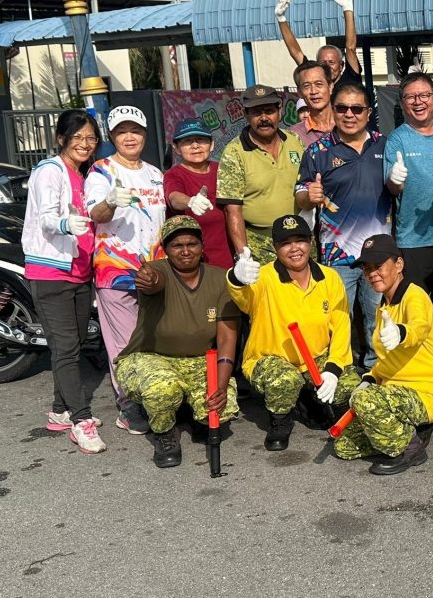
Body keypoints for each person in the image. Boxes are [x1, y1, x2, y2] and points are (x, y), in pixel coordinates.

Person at [113, 217, 241, 468]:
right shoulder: (156, 270)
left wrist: (222, 384)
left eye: (192, 244)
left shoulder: (220, 279)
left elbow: (227, 336)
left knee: (219, 409)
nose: (185, 251)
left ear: (202, 246)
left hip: (200, 359)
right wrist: (146, 280)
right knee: (162, 390)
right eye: (177, 245)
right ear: (166, 249)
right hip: (150, 356)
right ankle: (164, 432)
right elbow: (152, 283)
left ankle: (188, 411)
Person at [227, 214, 351, 450]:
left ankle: (307, 398)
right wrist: (236, 277)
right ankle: (280, 420)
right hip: (271, 359)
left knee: (348, 385)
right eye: (285, 243)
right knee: (285, 380)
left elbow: (342, 325)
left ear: (310, 242)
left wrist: (333, 369)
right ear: (275, 248)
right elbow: (241, 297)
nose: (294, 248)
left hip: (315, 357)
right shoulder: (262, 277)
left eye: (300, 240)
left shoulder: (330, 277)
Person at [331, 234, 433, 475]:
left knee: (364, 402)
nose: (372, 273)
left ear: (398, 264)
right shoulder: (385, 304)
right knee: (344, 446)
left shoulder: (414, 295)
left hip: (426, 392)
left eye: (378, 266)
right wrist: (369, 379)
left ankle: (410, 448)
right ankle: (408, 428)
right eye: (367, 268)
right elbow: (388, 361)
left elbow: (419, 327)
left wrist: (401, 332)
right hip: (394, 388)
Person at [23, 109, 103, 453]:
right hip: (51, 271)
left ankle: (59, 412)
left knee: (73, 345)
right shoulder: (49, 172)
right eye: (77, 137)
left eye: (91, 138)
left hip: (80, 270)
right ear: (61, 139)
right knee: (67, 347)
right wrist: (67, 225)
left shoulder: (81, 175)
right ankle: (80, 420)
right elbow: (46, 219)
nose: (84, 144)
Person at [296, 81, 390, 369]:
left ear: (368, 112)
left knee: (377, 314)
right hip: (337, 255)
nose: (349, 114)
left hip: (378, 252)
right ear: (333, 111)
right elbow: (300, 193)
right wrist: (308, 197)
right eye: (342, 108)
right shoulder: (318, 151)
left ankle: (375, 371)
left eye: (357, 108)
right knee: (339, 316)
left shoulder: (385, 144)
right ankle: (340, 370)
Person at [85, 105, 166, 435]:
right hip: (115, 270)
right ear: (112, 136)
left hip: (154, 269)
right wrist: (111, 202)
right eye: (122, 131)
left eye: (135, 130)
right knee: (124, 343)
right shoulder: (101, 172)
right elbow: (96, 214)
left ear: (144, 135)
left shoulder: (155, 174)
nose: (129, 136)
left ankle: (155, 395)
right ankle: (129, 405)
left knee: (153, 337)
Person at [383, 71, 433, 375]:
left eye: (424, 95)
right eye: (411, 97)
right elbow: (392, 188)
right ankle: (416, 369)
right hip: (412, 239)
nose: (419, 102)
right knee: (414, 310)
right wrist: (395, 180)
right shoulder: (398, 137)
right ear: (403, 103)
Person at [216, 85, 307, 265]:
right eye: (257, 112)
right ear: (246, 115)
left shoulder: (294, 141)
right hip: (261, 242)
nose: (264, 118)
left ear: (279, 111)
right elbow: (232, 210)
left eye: (269, 111)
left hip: (299, 237)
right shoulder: (234, 152)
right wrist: (243, 256)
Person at [163, 118, 233, 269]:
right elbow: (174, 198)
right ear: (176, 148)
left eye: (201, 140)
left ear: (212, 144)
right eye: (188, 141)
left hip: (228, 259)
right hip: (192, 265)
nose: (195, 146)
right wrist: (190, 201)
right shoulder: (174, 174)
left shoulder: (223, 170)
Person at [275, 0, 362, 88]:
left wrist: (348, 10)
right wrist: (281, 19)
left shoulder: (350, 78)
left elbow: (350, 47)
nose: (328, 67)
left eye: (332, 62)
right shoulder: (316, 85)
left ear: (341, 65)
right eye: (323, 63)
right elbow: (296, 53)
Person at [288, 60, 336, 148]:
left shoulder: (348, 123)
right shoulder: (294, 135)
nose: (313, 91)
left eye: (319, 84)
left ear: (330, 86)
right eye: (306, 86)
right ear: (299, 92)